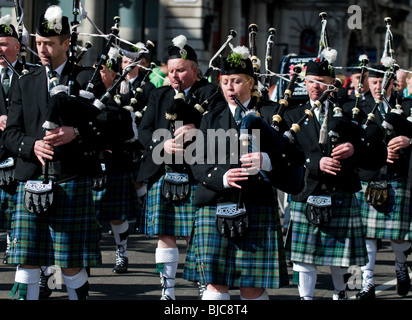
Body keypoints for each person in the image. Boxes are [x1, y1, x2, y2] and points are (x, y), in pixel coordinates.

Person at [3, 5, 106, 300]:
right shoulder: (25, 82)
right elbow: (11, 134)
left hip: (71, 177)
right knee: (28, 259)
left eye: (49, 43)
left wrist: (78, 132)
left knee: (70, 264)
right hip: (32, 177)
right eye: (38, 43)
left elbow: (110, 126)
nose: (43, 49)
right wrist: (31, 145)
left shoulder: (88, 78)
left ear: (66, 43)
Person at [183, 46, 293, 300]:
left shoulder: (271, 113)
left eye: (236, 81)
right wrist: (222, 177)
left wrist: (266, 160)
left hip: (256, 203)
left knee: (251, 286)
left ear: (251, 82)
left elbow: (292, 156)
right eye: (225, 82)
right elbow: (196, 161)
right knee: (214, 284)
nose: (230, 87)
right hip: (215, 201)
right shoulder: (211, 117)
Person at [137, 34, 225, 300]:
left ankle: (202, 283)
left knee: (195, 236)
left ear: (195, 71)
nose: (175, 75)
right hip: (164, 171)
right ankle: (168, 290)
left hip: (197, 173)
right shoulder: (158, 94)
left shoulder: (210, 93)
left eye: (181, 70)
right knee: (166, 235)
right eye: (171, 70)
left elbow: (221, 130)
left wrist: (197, 129)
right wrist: (161, 146)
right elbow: (144, 131)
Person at [283, 59, 369, 300]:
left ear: (333, 84)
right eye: (311, 81)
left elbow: (369, 146)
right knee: (303, 258)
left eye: (321, 82)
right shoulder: (293, 115)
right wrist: (314, 162)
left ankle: (340, 293)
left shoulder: (348, 113)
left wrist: (353, 148)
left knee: (340, 258)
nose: (315, 86)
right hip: (306, 189)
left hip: (339, 190)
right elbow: (286, 155)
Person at [352, 65, 412, 299]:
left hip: (397, 176)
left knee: (397, 235)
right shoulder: (358, 108)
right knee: (367, 234)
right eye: (374, 82)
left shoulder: (406, 106)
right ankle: (367, 283)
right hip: (368, 176)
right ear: (368, 83)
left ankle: (400, 266)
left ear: (392, 82)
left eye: (383, 82)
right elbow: (351, 143)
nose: (378, 87)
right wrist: (378, 152)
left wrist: (409, 140)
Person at [92, 51, 140, 274]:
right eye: (98, 69)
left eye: (103, 70)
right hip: (89, 163)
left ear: (114, 74)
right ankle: (85, 255)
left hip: (116, 162)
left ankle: (122, 252)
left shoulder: (121, 99)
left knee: (116, 215)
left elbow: (131, 135)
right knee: (85, 214)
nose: (98, 73)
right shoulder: (86, 94)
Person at [0, 15, 23, 265]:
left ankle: (13, 246)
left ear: (17, 47)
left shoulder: (29, 75)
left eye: (4, 43)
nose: (0, 48)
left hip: (19, 152)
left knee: (17, 210)